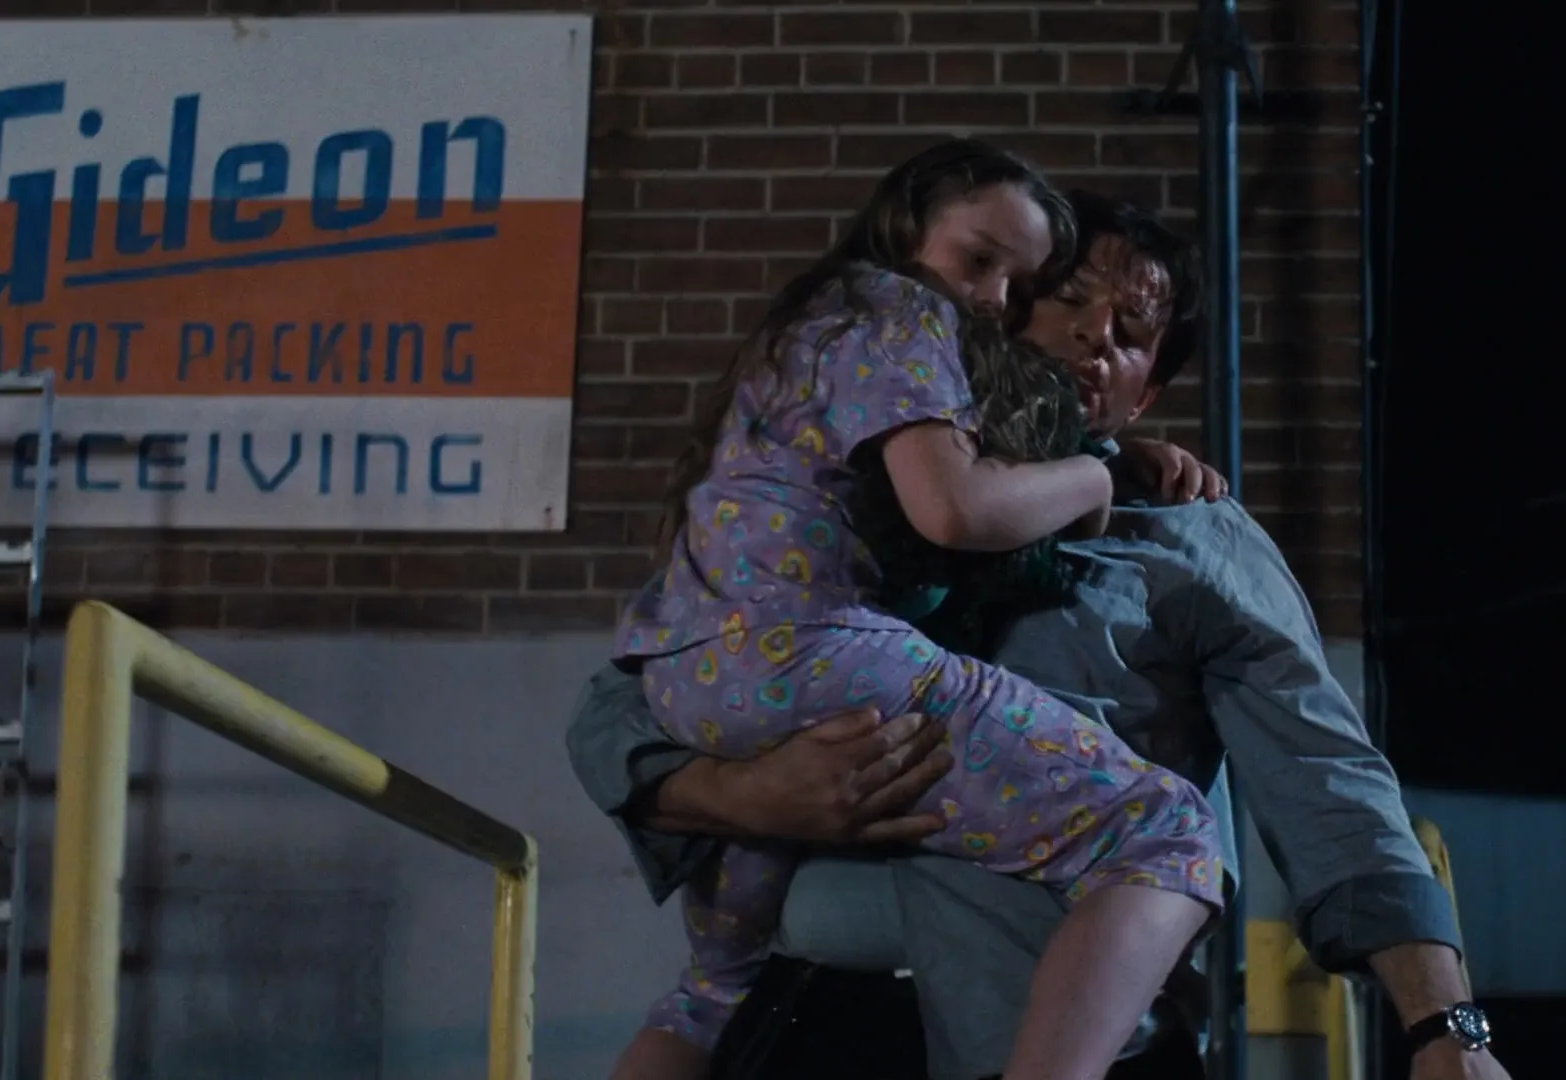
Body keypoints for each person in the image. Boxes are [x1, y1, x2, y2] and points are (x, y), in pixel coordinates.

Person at [572, 189, 1516, 1080]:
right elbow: (622, 706)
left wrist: (1445, 1026)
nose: (1096, 334)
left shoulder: (1189, 539)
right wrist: (742, 796)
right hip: (814, 1021)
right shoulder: (854, 490)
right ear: (988, 319)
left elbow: (1326, 775)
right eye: (1066, 299)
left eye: (1133, 332)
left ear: (1144, 397)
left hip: (1059, 1039)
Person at [609, 141, 1231, 1080]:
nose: (991, 299)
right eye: (983, 263)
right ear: (906, 228)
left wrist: (1103, 456)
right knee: (1171, 831)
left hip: (695, 675)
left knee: (712, 989)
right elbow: (958, 509)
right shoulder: (904, 317)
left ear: (1150, 389)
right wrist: (1091, 476)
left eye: (1016, 284)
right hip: (811, 667)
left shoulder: (817, 329)